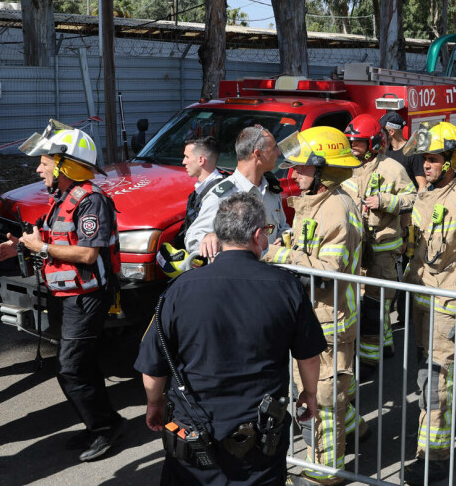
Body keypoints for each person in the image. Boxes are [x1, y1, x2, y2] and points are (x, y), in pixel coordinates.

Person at [135, 192, 326, 485]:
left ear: (220, 234)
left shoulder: (179, 289)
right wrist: (309, 394)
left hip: (191, 438)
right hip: (259, 440)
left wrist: (154, 403)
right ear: (258, 235)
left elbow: (154, 365)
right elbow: (309, 356)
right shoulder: (287, 287)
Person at [0, 120, 125, 462]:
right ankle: (99, 423)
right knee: (79, 365)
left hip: (88, 297)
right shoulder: (64, 198)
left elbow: (87, 254)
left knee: (71, 367)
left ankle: (105, 428)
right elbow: (53, 240)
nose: (39, 167)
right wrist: (20, 247)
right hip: (69, 296)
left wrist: (39, 247)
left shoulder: (92, 201)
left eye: (45, 161)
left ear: (64, 165)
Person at [262, 127, 365, 486]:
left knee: (322, 399)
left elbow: (328, 273)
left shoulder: (335, 210)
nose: (295, 174)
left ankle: (324, 473)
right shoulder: (314, 203)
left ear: (323, 172)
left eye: (303, 168)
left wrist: (281, 254)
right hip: (312, 317)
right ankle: (356, 429)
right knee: (323, 392)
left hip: (330, 319)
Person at [401, 121, 456, 484]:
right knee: (438, 369)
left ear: (451, 161)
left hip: (447, 307)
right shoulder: (426, 195)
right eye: (424, 158)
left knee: (433, 385)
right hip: (422, 303)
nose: (426, 165)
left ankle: (432, 459)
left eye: (434, 159)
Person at [342, 113, 416, 373]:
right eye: (351, 141)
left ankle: (370, 362)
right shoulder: (347, 167)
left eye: (358, 142)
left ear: (373, 142)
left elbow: (412, 199)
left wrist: (386, 201)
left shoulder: (392, 169)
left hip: (384, 248)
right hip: (359, 248)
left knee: (375, 304)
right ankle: (385, 345)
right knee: (373, 302)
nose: (353, 146)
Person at [185, 125, 289, 258]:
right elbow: (192, 238)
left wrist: (284, 238)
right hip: (235, 275)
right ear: (258, 154)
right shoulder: (222, 195)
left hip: (269, 273)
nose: (278, 153)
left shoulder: (272, 190)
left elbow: (282, 227)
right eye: (274, 148)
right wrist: (208, 238)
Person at [382, 111, 427, 191]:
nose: (380, 134)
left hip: (408, 201)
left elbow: (422, 184)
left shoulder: (413, 152)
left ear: (391, 132)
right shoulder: (385, 151)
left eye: (382, 130)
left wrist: (418, 203)